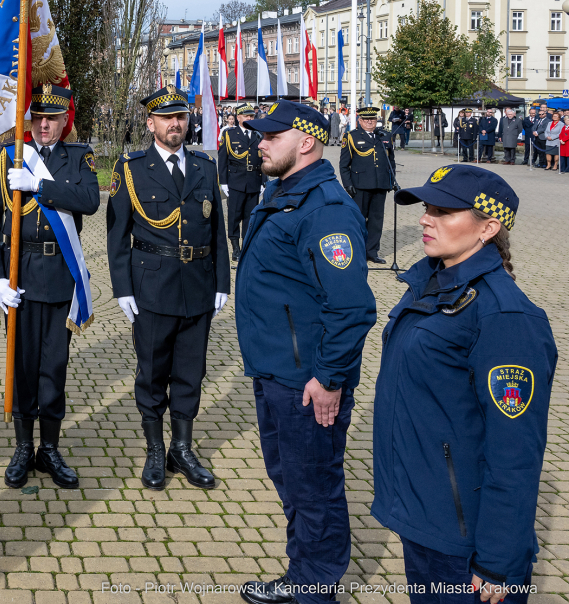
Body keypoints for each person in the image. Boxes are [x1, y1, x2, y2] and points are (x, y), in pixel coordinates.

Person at [373, 165, 557, 604]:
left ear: (488, 228)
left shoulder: (504, 318)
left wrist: (498, 560)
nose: (425, 218)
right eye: (426, 207)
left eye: (443, 210)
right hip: (424, 517)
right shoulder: (430, 284)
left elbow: (515, 452)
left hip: (466, 544)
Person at [234, 100, 377, 604]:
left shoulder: (325, 209)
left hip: (307, 382)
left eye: (272, 135)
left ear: (307, 141)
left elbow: (352, 308)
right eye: (260, 134)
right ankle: (303, 577)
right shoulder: (284, 192)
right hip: (277, 371)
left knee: (313, 489)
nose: (261, 142)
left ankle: (315, 591)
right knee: (293, 482)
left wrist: (330, 378)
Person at [107, 84, 230, 491]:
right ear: (150, 123)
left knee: (191, 371)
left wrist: (222, 283)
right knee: (153, 371)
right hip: (152, 286)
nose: (175, 124)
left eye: (180, 117)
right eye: (166, 118)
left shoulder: (204, 167)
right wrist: (123, 288)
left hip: (197, 284)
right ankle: (155, 450)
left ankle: (183, 447)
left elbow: (217, 231)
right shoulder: (132, 169)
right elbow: (116, 234)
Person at [0, 84, 99, 490]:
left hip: (59, 274)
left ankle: (49, 448)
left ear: (65, 121)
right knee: (23, 364)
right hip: (20, 273)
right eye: (37, 118)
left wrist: (39, 186)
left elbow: (89, 200)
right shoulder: (9, 158)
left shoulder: (79, 157)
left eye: (52, 118)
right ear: (28, 120)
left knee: (54, 366)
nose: (43, 125)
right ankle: (22, 447)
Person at [340, 106, 397, 265]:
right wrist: (347, 184)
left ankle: (372, 252)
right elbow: (344, 164)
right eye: (366, 119)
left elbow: (390, 161)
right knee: (359, 220)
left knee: (376, 220)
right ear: (359, 121)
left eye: (372, 118)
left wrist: (392, 180)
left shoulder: (385, 136)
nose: (370, 121)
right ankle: (358, 252)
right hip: (360, 186)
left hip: (380, 184)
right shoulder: (351, 136)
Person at [217, 102, 264, 261]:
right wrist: (223, 182)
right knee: (234, 216)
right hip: (235, 182)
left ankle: (247, 246)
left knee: (250, 216)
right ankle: (235, 248)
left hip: (253, 181)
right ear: (238, 118)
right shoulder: (229, 135)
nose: (250, 118)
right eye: (246, 116)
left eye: (252, 115)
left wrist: (264, 180)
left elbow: (263, 159)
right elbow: (222, 160)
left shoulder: (258, 135)